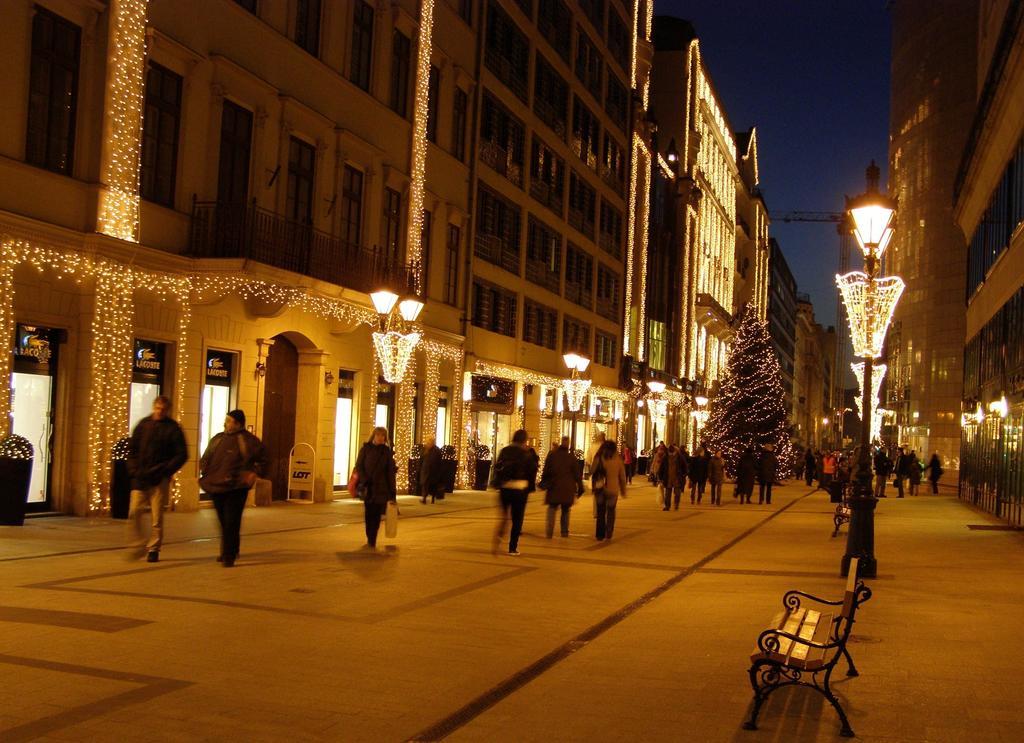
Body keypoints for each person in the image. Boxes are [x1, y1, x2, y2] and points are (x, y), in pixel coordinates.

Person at [199, 410, 266, 567]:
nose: (225, 423)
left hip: (236, 487)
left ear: (238, 423)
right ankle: (231, 549)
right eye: (226, 420)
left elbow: (263, 459)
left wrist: (253, 473)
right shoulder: (218, 439)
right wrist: (205, 470)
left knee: (231, 521)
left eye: (229, 421)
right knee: (224, 521)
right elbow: (207, 456)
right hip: (216, 485)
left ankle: (228, 555)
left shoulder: (248, 440)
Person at [126, 395, 188, 562]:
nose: (160, 412)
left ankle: (154, 548)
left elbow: (182, 454)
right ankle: (139, 543)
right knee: (134, 512)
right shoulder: (143, 425)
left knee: (156, 516)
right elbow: (132, 449)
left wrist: (166, 470)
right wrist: (133, 469)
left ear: (167, 410)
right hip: (140, 477)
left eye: (163, 409)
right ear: (154, 407)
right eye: (158, 408)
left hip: (159, 478)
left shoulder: (173, 428)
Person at [491, 429, 538, 556]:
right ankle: (512, 547)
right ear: (524, 440)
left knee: (504, 516)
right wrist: (530, 488)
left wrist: (497, 482)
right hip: (520, 488)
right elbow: (531, 472)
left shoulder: (505, 451)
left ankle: (500, 535)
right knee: (517, 519)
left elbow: (497, 467)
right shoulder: (526, 454)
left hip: (505, 487)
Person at [353, 426, 397, 549]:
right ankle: (369, 536)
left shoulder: (386, 452)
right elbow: (359, 466)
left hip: (382, 489)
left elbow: (389, 473)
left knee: (377, 515)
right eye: (378, 435)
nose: (380, 438)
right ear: (374, 436)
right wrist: (364, 479)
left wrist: (392, 491)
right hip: (368, 487)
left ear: (385, 438)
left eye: (383, 436)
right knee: (368, 513)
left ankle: (372, 539)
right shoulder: (366, 449)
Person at [540, 436, 582, 538]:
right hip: (567, 489)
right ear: (568, 445)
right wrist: (580, 487)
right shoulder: (571, 458)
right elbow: (577, 474)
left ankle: (549, 532)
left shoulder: (552, 456)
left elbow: (546, 471)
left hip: (553, 487)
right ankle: (564, 532)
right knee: (566, 510)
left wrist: (544, 482)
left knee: (552, 508)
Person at [592, 440, 627, 540]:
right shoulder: (618, 459)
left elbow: (592, 471)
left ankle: (600, 534)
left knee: (601, 512)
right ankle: (609, 532)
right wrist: (623, 490)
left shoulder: (599, 457)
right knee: (611, 511)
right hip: (613, 489)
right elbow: (622, 477)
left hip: (600, 488)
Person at [419, 435, 443, 504]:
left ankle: (432, 497)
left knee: (432, 485)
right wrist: (419, 468)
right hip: (425, 470)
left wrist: (439, 471)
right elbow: (421, 459)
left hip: (433, 471)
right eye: (428, 441)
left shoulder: (437, 450)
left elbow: (439, 462)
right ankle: (424, 498)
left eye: (431, 441)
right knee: (424, 484)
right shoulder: (424, 449)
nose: (429, 443)